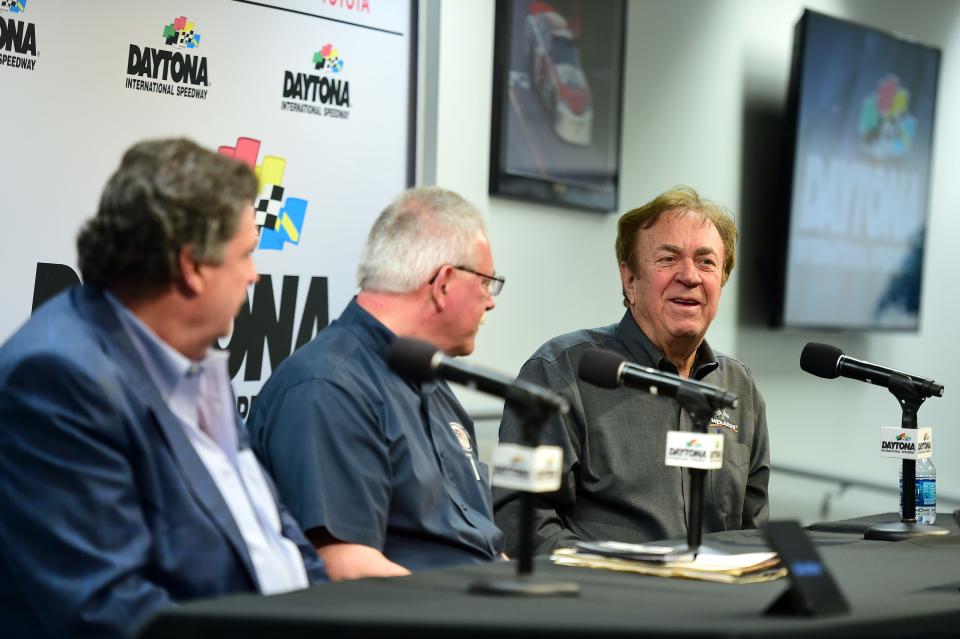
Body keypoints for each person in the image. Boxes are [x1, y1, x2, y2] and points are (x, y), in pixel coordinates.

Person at [0, 139, 325, 639]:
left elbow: (278, 537)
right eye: (246, 255)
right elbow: (108, 610)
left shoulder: (194, 362)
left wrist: (338, 616)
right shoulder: (59, 377)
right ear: (192, 267)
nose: (255, 275)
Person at [494, 186, 770, 555]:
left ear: (721, 281)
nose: (689, 276)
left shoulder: (739, 387)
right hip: (607, 601)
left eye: (706, 262)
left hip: (715, 604)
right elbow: (522, 519)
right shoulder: (560, 372)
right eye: (668, 259)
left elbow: (751, 529)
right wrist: (616, 578)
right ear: (630, 280)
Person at [248, 187, 505, 581]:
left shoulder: (431, 384)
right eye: (487, 282)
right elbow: (346, 568)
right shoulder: (328, 388)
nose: (491, 301)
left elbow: (481, 545)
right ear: (444, 283)